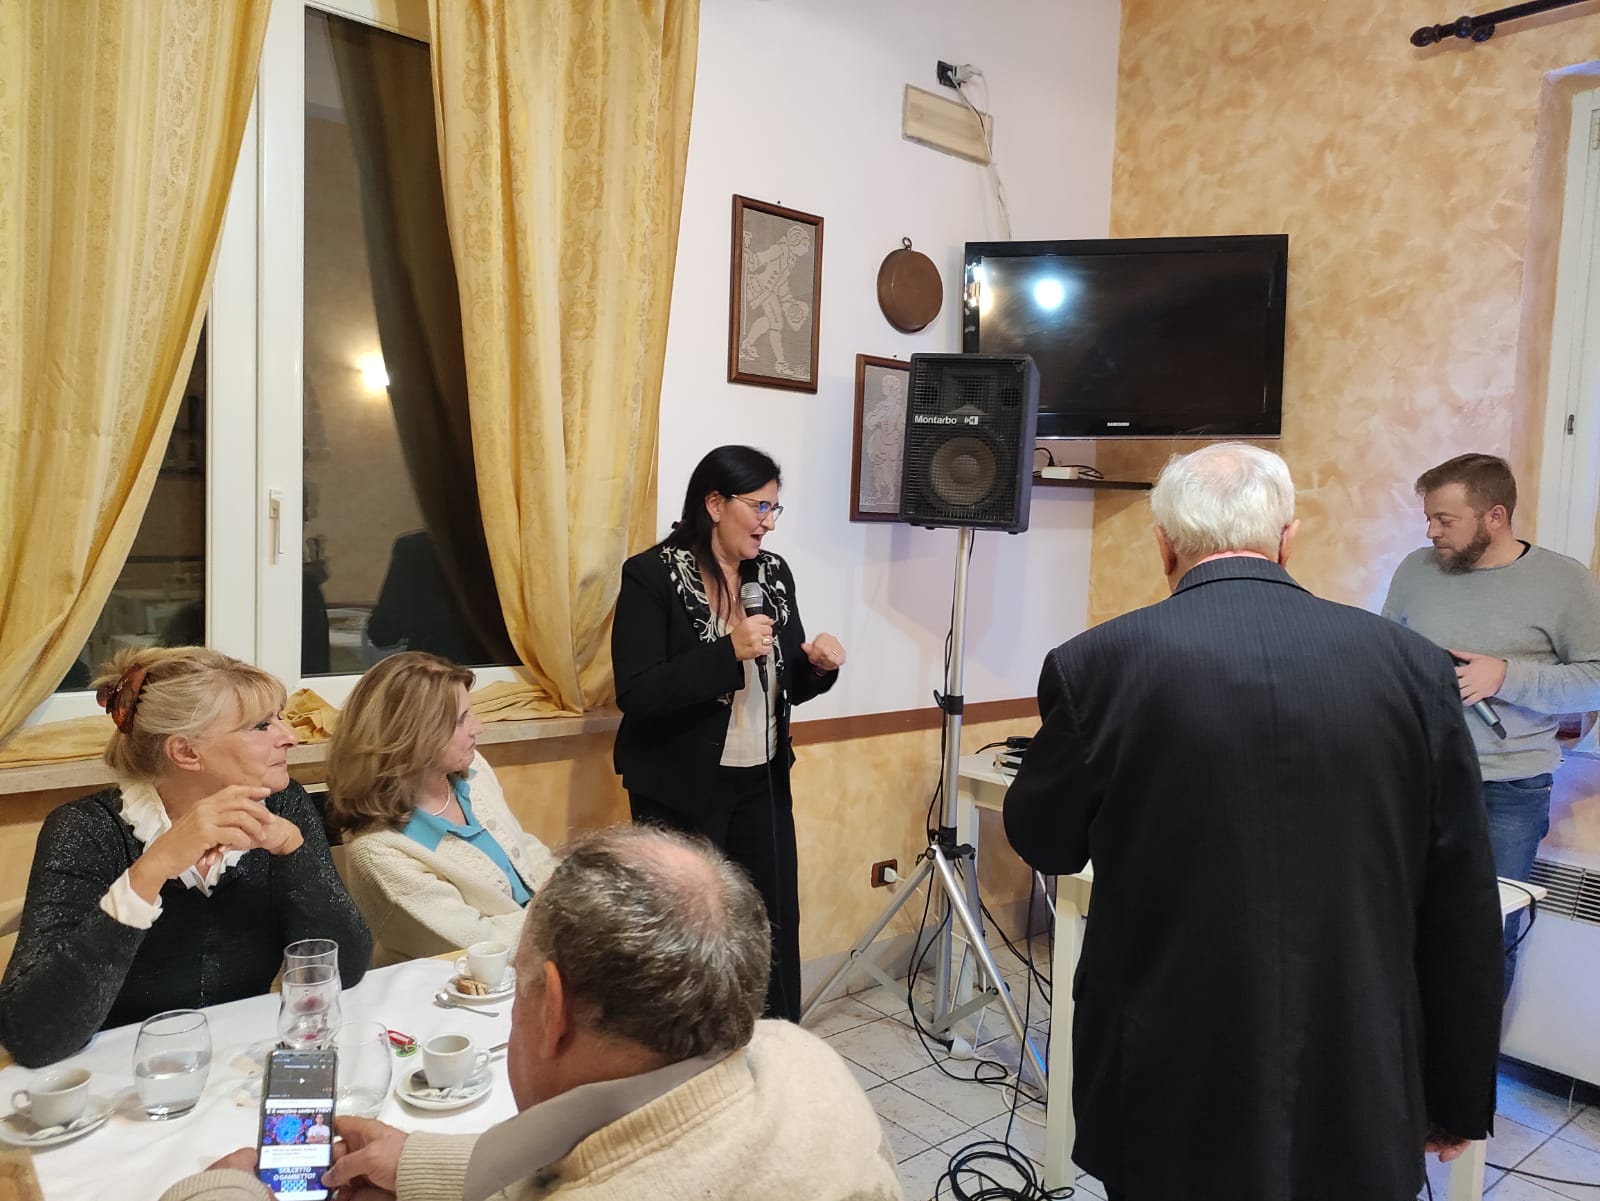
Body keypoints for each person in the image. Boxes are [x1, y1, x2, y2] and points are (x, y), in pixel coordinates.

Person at [1003, 443, 1503, 1201]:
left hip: (1165, 1064)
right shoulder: (1414, 667)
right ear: (1287, 538)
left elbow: (1047, 841)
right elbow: (1461, 899)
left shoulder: (1095, 664)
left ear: (1165, 545)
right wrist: (1459, 1090)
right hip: (1356, 1068)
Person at [159, 825, 905, 1201]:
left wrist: (224, 1187)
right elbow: (621, 1135)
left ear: (552, 1008)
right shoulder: (804, 1056)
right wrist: (429, 1167)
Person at [0, 648, 371, 1068]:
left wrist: (293, 851)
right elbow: (33, 1038)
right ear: (186, 752)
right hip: (119, 1075)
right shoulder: (86, 830)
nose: (290, 737)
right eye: (261, 725)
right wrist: (150, 871)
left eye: (280, 718)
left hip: (238, 1066)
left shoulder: (283, 806)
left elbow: (346, 969)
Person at [610, 445, 845, 1021]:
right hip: (681, 788)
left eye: (774, 509)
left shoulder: (773, 574)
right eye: (759, 506)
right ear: (715, 504)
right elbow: (638, 692)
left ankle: (777, 1041)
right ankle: (689, 1051)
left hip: (762, 782)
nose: (769, 522)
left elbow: (788, 681)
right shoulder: (651, 575)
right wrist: (725, 653)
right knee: (688, 931)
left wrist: (818, 667)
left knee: (772, 919)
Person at [1382, 452, 1600, 989]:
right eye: (1429, 518)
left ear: (1495, 517)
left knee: (1484, 938)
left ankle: (1472, 1046)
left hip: (1509, 789)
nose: (1430, 532)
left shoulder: (1565, 583)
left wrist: (1505, 676)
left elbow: (1595, 679)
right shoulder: (1415, 570)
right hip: (1419, 779)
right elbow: (1387, 649)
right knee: (1401, 925)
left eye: (1445, 520)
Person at [325, 652, 557, 966]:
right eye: (461, 720)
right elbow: (479, 944)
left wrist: (569, 883)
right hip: (466, 981)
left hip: (541, 943)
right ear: (410, 736)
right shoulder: (378, 851)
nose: (478, 727)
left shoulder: (472, 771)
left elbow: (523, 848)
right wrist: (560, 910)